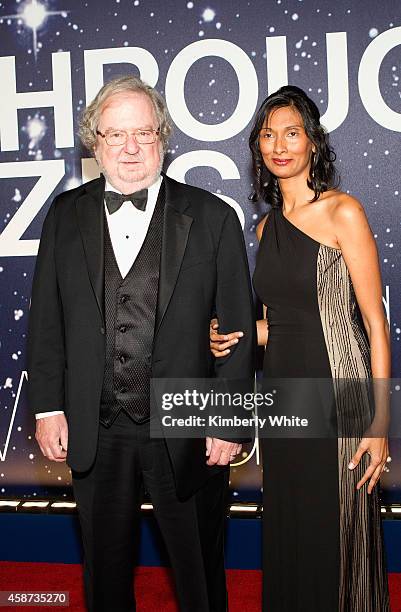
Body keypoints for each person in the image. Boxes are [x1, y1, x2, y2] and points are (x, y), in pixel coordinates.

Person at [27, 75, 255, 612]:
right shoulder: (64, 216)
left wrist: (227, 420)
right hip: (95, 425)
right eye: (115, 135)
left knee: (199, 572)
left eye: (143, 133)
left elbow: (239, 329)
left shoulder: (212, 216)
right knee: (104, 575)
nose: (130, 147)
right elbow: (47, 322)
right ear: (95, 142)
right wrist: (49, 408)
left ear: (162, 138)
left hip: (187, 424)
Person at [210, 85, 391, 611]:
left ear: (313, 142)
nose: (278, 145)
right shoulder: (265, 228)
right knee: (291, 526)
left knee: (339, 533)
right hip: (284, 398)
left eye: (291, 133)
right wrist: (230, 336)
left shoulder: (343, 212)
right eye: (268, 135)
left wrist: (380, 425)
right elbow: (279, 327)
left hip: (341, 395)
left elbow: (375, 325)